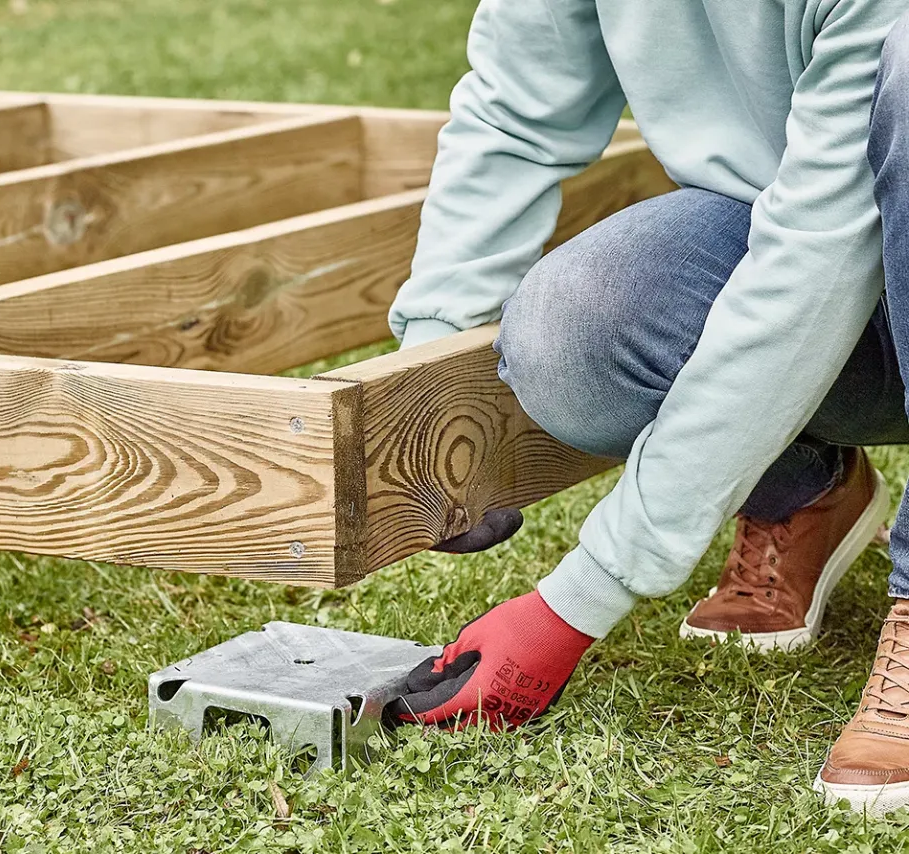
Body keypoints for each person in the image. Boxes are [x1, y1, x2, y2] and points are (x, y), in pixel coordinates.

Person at [389, 0, 909, 814]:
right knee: (574, 331)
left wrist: (578, 600)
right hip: (811, 240)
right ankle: (806, 491)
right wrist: (423, 383)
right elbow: (515, 111)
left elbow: (819, 260)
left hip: (842, 235)